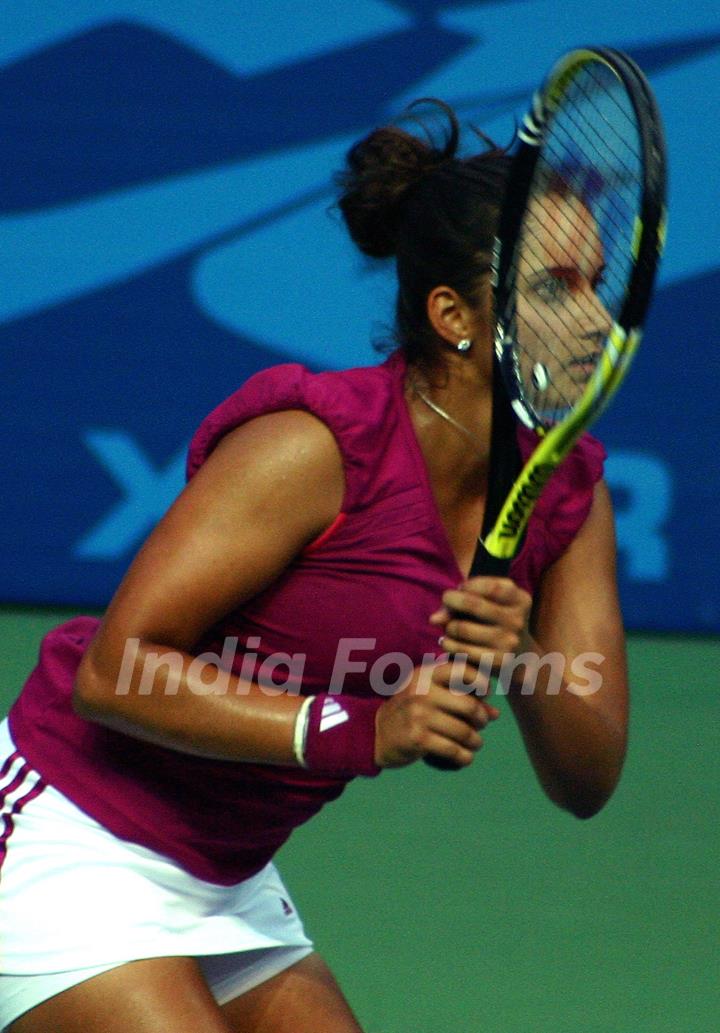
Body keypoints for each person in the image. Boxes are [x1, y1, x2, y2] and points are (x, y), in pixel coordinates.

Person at [0, 102, 628, 1033]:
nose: (598, 321)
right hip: (75, 827)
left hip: (228, 869)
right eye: (556, 289)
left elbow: (588, 776)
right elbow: (114, 670)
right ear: (453, 315)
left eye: (600, 286)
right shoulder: (314, 448)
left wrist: (523, 648)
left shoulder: (567, 493)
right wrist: (363, 731)